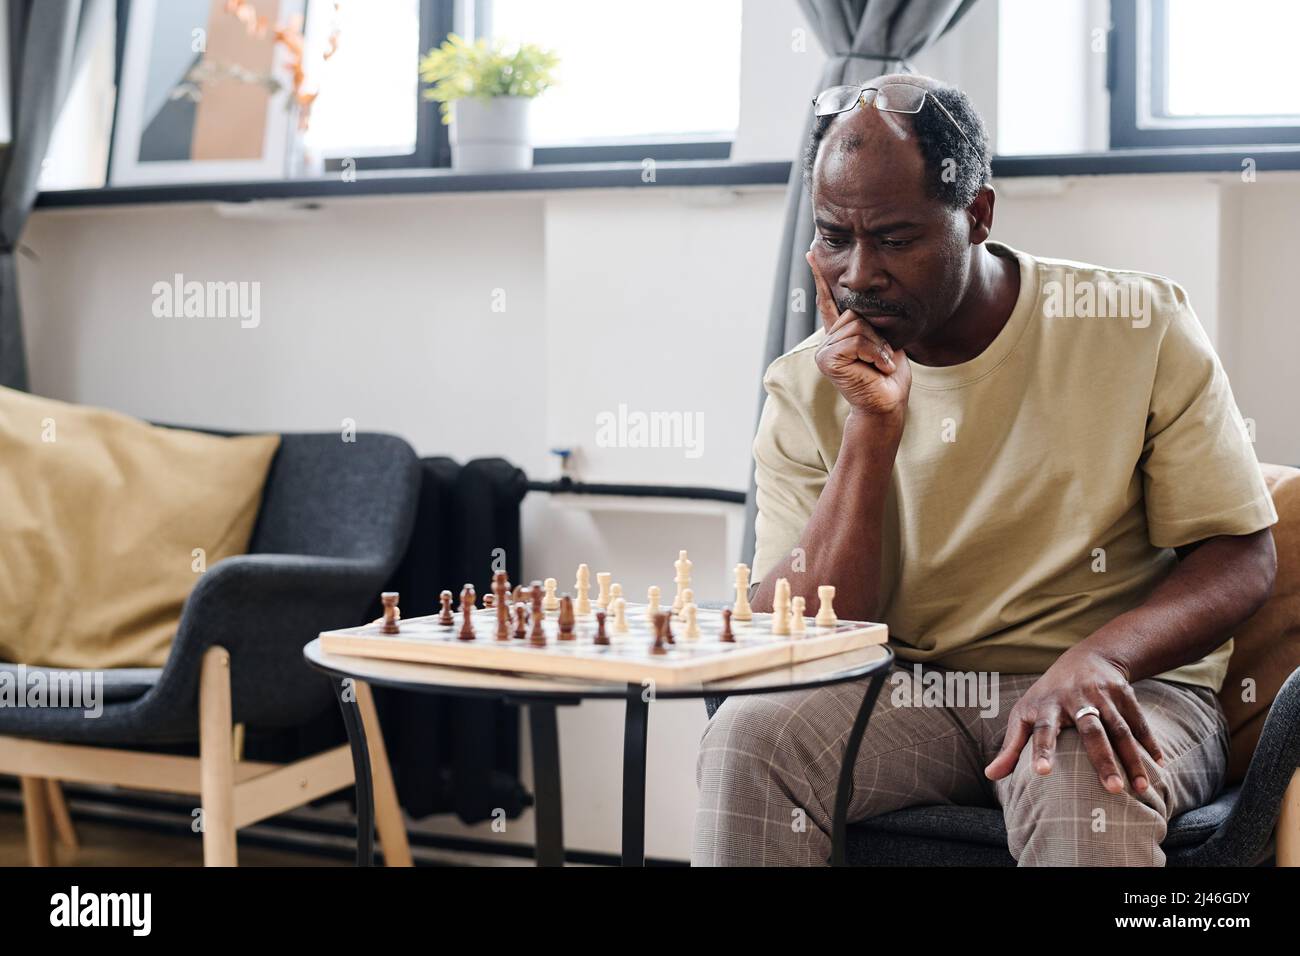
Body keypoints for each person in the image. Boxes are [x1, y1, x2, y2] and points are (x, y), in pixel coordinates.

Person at [693, 74, 1278, 866]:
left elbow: (1240, 555)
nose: (859, 274)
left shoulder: (1137, 325)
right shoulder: (806, 385)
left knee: (1077, 762)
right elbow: (813, 633)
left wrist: (1103, 656)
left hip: (1127, 687)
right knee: (752, 738)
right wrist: (872, 425)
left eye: (895, 239)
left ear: (976, 216)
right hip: (917, 699)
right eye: (835, 236)